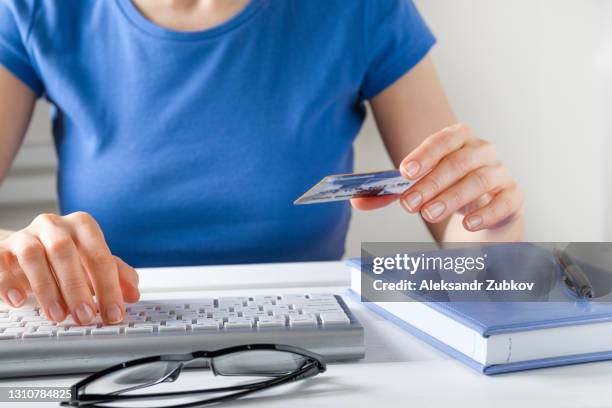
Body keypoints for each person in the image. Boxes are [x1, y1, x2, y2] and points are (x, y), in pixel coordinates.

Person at [0, 0, 523, 325]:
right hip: (108, 337)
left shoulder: (361, 8)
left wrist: (493, 223)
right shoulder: (35, 9)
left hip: (314, 359)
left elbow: (471, 252)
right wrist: (12, 254)